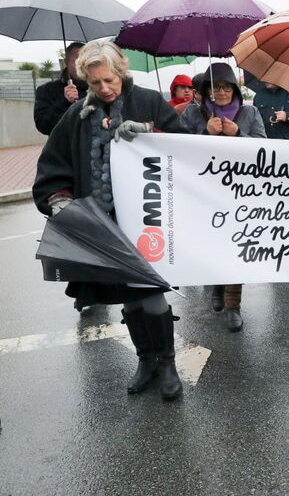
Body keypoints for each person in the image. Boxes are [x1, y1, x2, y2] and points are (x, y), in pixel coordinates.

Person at [32, 40, 189, 400]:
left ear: (121, 73)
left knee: (150, 294)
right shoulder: (77, 115)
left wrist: (151, 130)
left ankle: (167, 365)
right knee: (126, 297)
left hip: (149, 219)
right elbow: (53, 165)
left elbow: (186, 144)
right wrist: (59, 202)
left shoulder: (148, 101)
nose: (104, 89)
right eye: (95, 83)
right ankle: (146, 360)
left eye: (109, 80)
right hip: (105, 225)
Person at [182, 63, 266, 332]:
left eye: (226, 86)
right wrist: (205, 133)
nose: (220, 92)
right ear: (206, 90)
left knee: (237, 245)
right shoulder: (193, 113)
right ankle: (216, 285)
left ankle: (233, 305)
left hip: (241, 192)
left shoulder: (250, 112)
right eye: (215, 87)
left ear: (235, 89)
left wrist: (238, 134)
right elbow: (179, 145)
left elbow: (264, 147)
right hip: (205, 191)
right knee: (212, 242)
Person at [34, 41, 87, 135]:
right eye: (77, 60)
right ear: (66, 62)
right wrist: (64, 102)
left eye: (86, 60)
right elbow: (43, 126)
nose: (82, 65)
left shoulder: (99, 89)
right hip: (63, 148)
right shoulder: (47, 90)